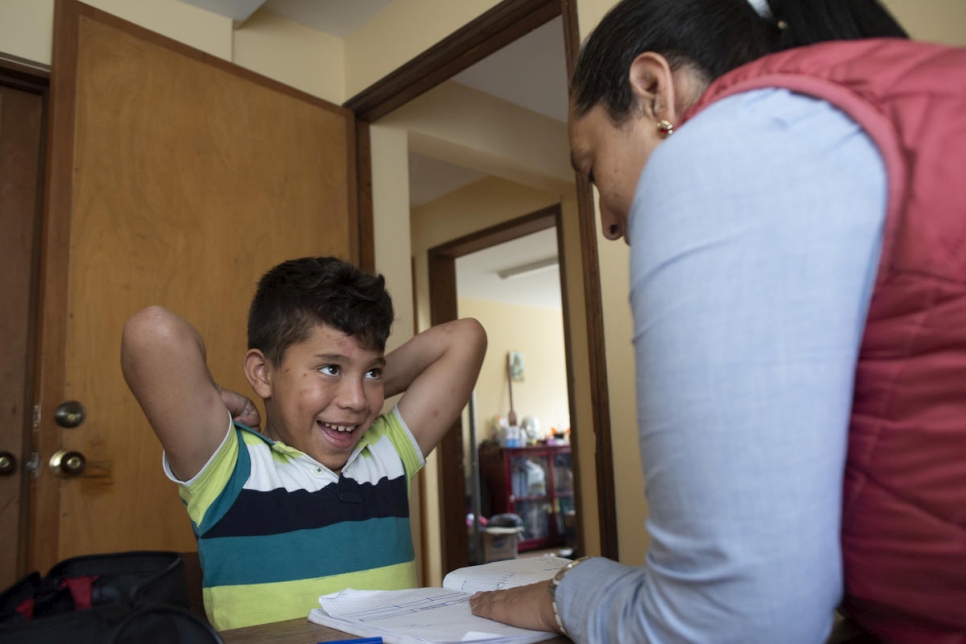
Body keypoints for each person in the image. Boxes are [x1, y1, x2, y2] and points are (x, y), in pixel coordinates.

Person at [470, 0, 966, 642]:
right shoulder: (885, 108)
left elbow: (734, 626)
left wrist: (570, 590)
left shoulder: (729, 145)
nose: (610, 222)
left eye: (592, 171)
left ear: (654, 93)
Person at [121, 256, 486, 630]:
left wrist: (350, 385)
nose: (357, 401)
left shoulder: (385, 454)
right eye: (330, 368)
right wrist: (214, 397)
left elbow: (465, 336)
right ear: (262, 373)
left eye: (373, 372)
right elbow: (153, 331)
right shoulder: (230, 467)